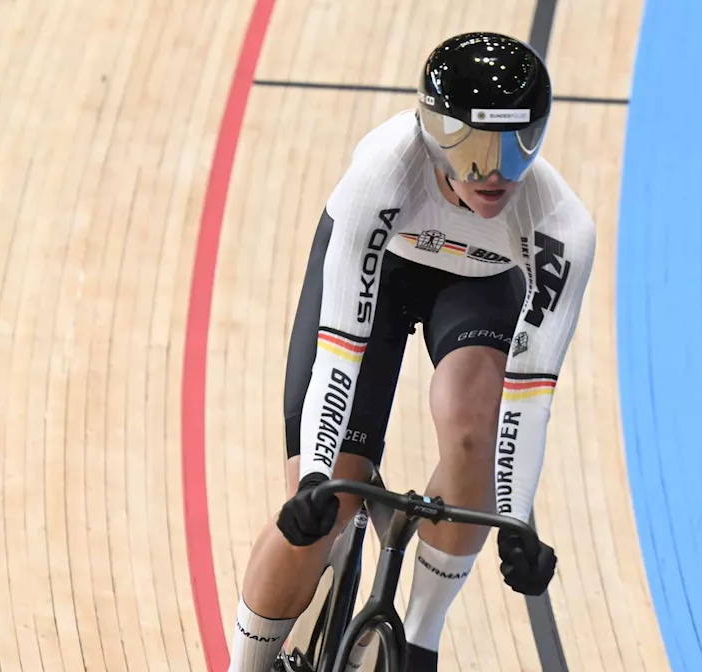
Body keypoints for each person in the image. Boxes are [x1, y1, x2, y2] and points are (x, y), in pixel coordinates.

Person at [227, 31, 597, 672]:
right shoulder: (383, 167)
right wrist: (317, 481)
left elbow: (529, 397)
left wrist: (513, 523)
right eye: (472, 147)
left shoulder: (561, 226)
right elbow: (341, 345)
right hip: (380, 270)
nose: (495, 173)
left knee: (472, 429)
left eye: (517, 147)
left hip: (476, 287)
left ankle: (420, 633)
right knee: (316, 514)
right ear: (431, 131)